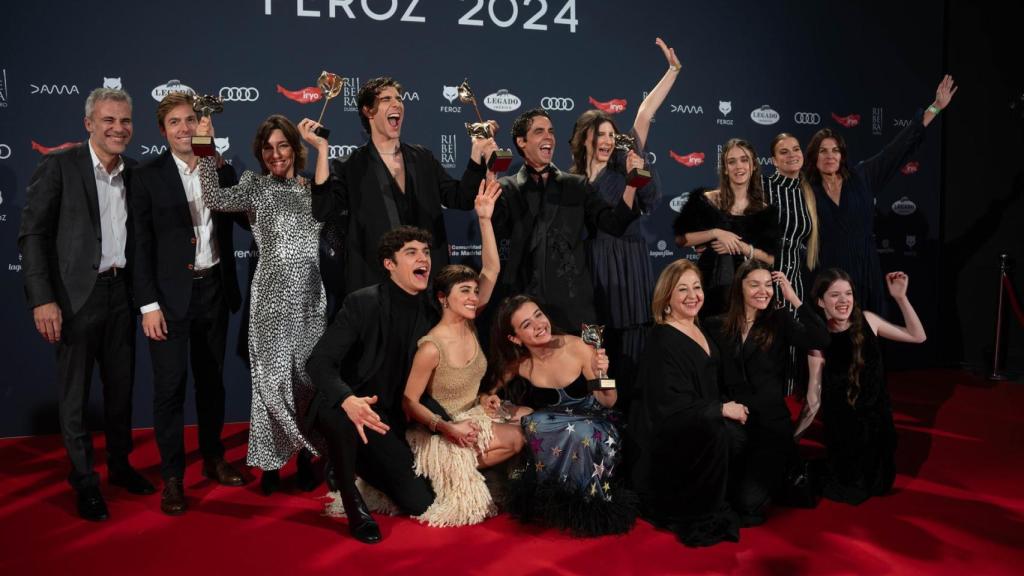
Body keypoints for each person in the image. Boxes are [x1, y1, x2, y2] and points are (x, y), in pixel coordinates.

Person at [17, 87, 154, 521]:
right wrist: (43, 299)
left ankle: (120, 466)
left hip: (121, 295)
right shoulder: (60, 165)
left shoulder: (135, 172)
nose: (118, 128)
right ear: (89, 124)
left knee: (120, 391)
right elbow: (33, 235)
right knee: (75, 397)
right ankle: (85, 481)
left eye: (125, 120)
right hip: (76, 298)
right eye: (108, 120)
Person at [196, 114, 333, 495]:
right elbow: (213, 198)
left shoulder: (313, 190)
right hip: (270, 299)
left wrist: (322, 149)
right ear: (260, 153)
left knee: (306, 382)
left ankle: (306, 458)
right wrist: (204, 146)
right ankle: (272, 463)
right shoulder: (253, 185)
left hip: (310, 299)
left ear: (295, 149)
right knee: (270, 384)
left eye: (283, 145)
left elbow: (331, 216)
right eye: (268, 148)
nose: (275, 154)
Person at [305, 225, 469, 544]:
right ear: (389, 264)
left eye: (426, 252)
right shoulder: (362, 303)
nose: (423, 258)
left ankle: (354, 461)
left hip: (388, 417)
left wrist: (447, 423)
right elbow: (318, 362)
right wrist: (348, 399)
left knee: (420, 501)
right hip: (347, 407)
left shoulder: (431, 311)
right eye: (411, 252)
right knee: (342, 414)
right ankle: (352, 500)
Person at [131, 92, 247, 516]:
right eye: (175, 122)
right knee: (170, 389)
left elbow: (246, 218)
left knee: (211, 382)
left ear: (202, 125)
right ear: (163, 131)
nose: (185, 128)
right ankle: (173, 478)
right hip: (168, 300)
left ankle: (214, 458)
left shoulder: (221, 169)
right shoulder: (146, 176)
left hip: (214, 289)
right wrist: (148, 305)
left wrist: (214, 158)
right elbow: (139, 245)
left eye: (191, 120)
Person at [402, 180, 524, 527]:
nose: (473, 297)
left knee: (529, 417)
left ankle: (467, 471)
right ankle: (446, 474)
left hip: (473, 414)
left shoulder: (469, 322)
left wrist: (484, 219)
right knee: (517, 436)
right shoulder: (431, 346)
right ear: (443, 298)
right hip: (441, 432)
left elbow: (492, 270)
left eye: (474, 291)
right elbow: (409, 403)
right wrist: (448, 428)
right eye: (464, 292)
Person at [570, 37, 679, 411]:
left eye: (610, 134)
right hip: (593, 267)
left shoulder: (624, 164)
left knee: (631, 344)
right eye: (598, 134)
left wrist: (672, 70)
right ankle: (600, 414)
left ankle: (631, 414)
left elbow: (645, 114)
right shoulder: (573, 180)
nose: (606, 140)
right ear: (584, 138)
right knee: (597, 350)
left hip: (628, 263)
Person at [310, 76, 493, 297]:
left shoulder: (423, 158)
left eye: (399, 98)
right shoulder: (350, 166)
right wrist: (322, 151)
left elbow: (461, 199)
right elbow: (322, 210)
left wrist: (476, 154)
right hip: (376, 288)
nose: (397, 104)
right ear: (368, 111)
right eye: (386, 99)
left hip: (426, 287)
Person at [461, 108, 640, 333]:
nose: (549, 137)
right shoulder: (506, 189)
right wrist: (490, 168)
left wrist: (633, 182)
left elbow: (614, 224)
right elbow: (493, 233)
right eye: (539, 131)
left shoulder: (578, 185)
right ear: (522, 142)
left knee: (589, 357)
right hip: (523, 308)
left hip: (574, 308)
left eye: (551, 131)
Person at [804, 75, 957, 313]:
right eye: (823, 151)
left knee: (867, 330)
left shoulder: (863, 176)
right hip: (826, 277)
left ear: (842, 155)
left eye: (835, 150)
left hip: (865, 274)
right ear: (814, 156)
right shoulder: (806, 190)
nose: (830, 156)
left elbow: (898, 148)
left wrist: (935, 107)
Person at [485, 295, 636, 536]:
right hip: (557, 433)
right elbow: (487, 391)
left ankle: (590, 506)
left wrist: (602, 374)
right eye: (527, 324)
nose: (539, 325)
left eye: (538, 315)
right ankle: (559, 503)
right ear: (515, 338)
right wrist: (487, 399)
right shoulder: (519, 364)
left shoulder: (578, 347)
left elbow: (608, 401)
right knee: (535, 422)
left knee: (573, 429)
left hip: (596, 425)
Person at [630, 259, 745, 547]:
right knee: (722, 434)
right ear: (666, 297)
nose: (693, 295)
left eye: (697, 287)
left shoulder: (699, 327)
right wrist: (720, 410)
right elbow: (669, 403)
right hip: (675, 433)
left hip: (702, 417)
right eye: (683, 289)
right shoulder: (662, 339)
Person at [704, 260, 829, 525]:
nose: (763, 291)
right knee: (717, 496)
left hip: (771, 426)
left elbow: (820, 339)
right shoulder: (716, 325)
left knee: (748, 505)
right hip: (735, 423)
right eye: (754, 284)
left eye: (768, 285)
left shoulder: (779, 320)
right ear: (739, 287)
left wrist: (794, 299)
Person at [795, 269, 926, 505]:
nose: (844, 300)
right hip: (843, 434)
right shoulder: (819, 340)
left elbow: (918, 337)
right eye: (835, 295)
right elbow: (813, 399)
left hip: (879, 430)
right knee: (851, 490)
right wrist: (792, 440)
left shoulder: (869, 321)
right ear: (821, 301)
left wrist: (900, 298)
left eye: (848, 293)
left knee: (878, 486)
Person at [673, 138, 780, 317]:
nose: (739, 166)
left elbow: (770, 258)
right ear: (724, 168)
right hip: (708, 285)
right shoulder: (707, 200)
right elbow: (681, 239)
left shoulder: (765, 211)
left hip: (749, 291)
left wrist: (740, 247)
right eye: (732, 161)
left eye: (744, 160)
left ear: (753, 165)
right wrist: (716, 233)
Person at [764, 133, 818, 305]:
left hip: (796, 283)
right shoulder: (761, 186)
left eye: (796, 149)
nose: (792, 155)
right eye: (784, 152)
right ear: (774, 161)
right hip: (764, 281)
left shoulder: (808, 192)